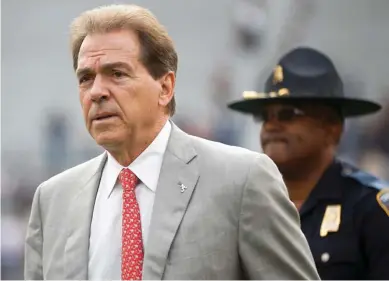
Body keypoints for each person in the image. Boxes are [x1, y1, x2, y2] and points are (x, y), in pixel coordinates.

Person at [24, 5, 320, 280]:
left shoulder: (243, 181)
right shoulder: (52, 200)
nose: (97, 92)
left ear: (165, 88)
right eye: (86, 78)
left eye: (117, 74)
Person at [228, 46, 389, 279]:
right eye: (266, 117)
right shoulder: (244, 208)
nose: (271, 126)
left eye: (288, 114)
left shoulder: (371, 209)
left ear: (332, 128)